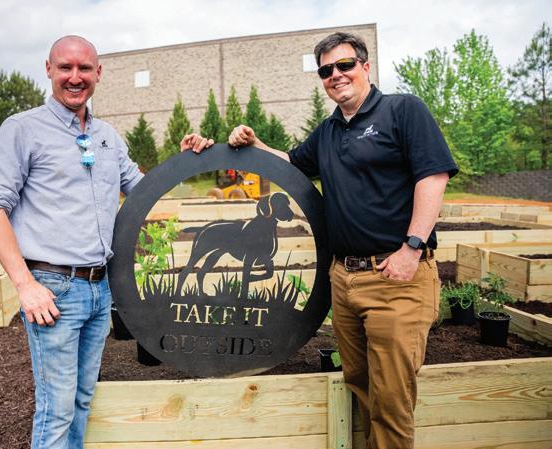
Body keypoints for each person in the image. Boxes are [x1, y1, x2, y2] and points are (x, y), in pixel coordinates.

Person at [187, 32, 457, 449]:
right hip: (345, 280)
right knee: (361, 383)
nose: (336, 75)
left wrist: (412, 247)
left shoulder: (402, 110)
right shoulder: (329, 130)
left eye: (345, 65)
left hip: (396, 278)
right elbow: (291, 164)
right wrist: (254, 145)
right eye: (326, 70)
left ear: (365, 67)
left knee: (391, 399)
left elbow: (433, 176)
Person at [0, 35, 210, 449]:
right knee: (56, 409)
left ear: (98, 73)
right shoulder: (23, 129)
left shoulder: (106, 136)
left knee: (82, 401)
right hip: (54, 291)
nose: (75, 77)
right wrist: (25, 286)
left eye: (84, 68)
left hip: (101, 290)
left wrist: (184, 160)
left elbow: (142, 191)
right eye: (65, 67)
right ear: (48, 69)